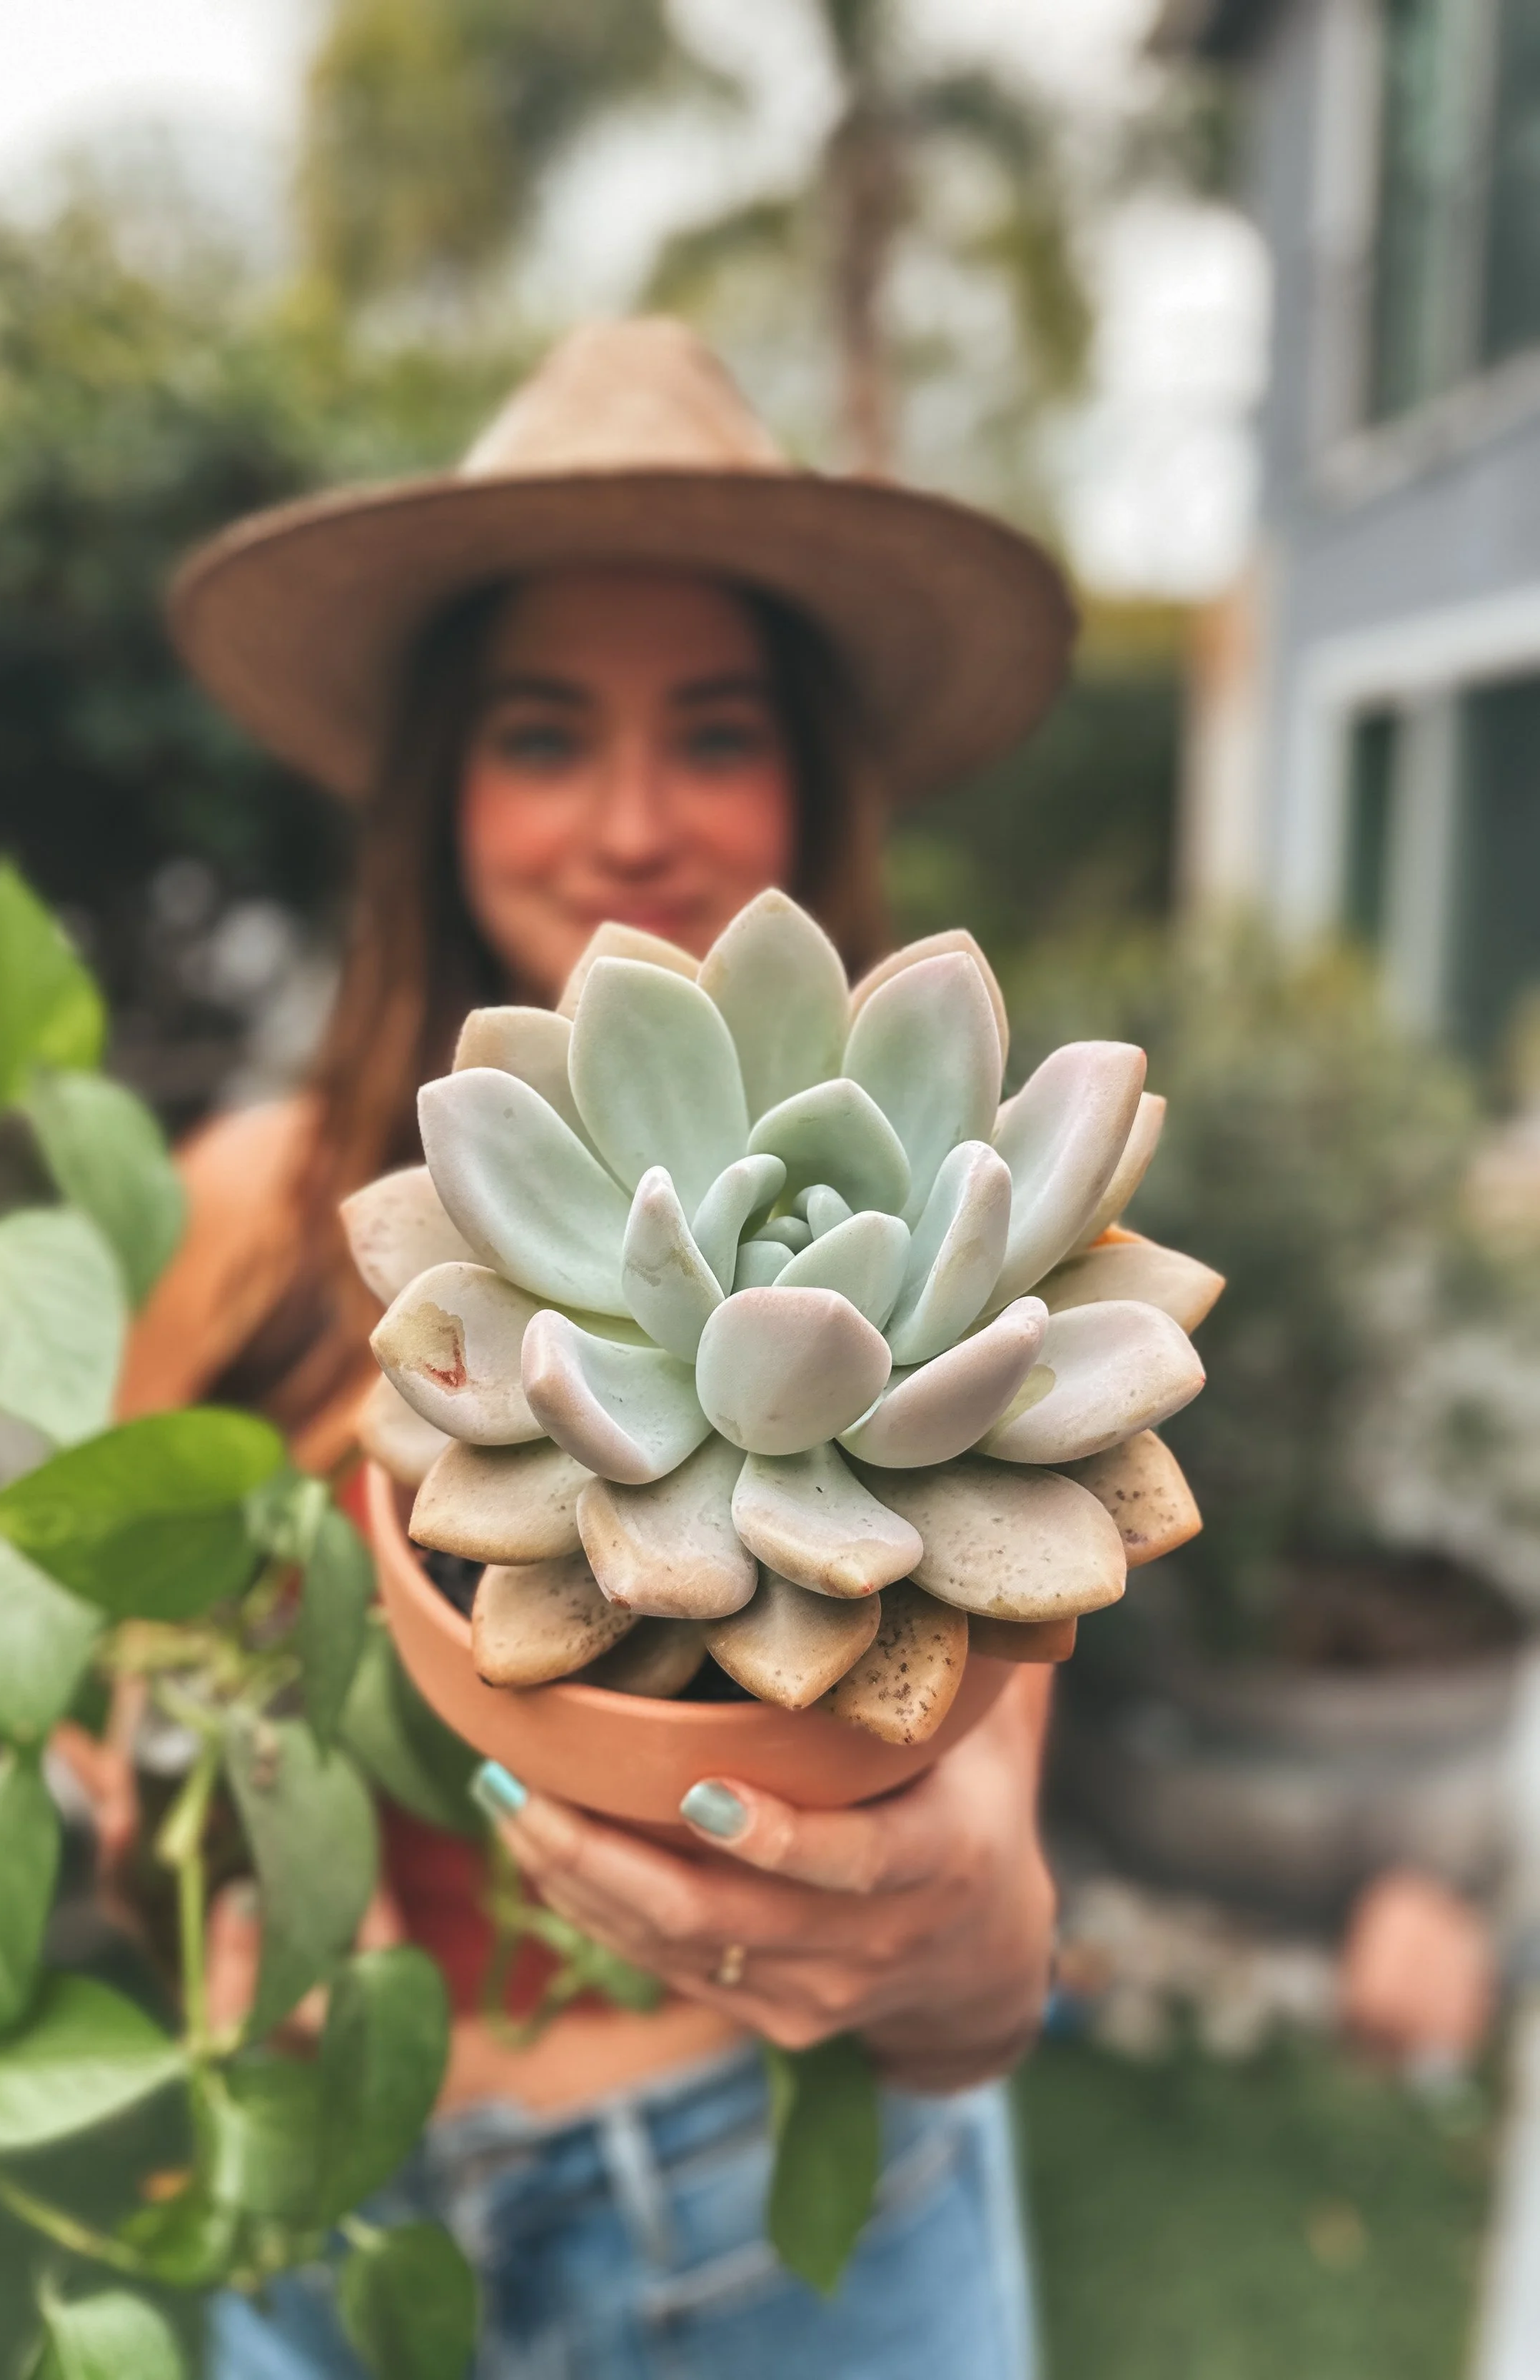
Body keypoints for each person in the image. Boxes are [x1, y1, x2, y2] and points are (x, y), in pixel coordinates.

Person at [123, 318, 1075, 2380]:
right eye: (543, 735)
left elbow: (985, 1947)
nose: (630, 822)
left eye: (712, 731)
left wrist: (958, 1924)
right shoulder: (253, 1217)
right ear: (442, 786)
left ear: (808, 778)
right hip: (333, 2219)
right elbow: (137, 1705)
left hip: (789, 2219)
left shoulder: (964, 1243)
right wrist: (184, 1834)